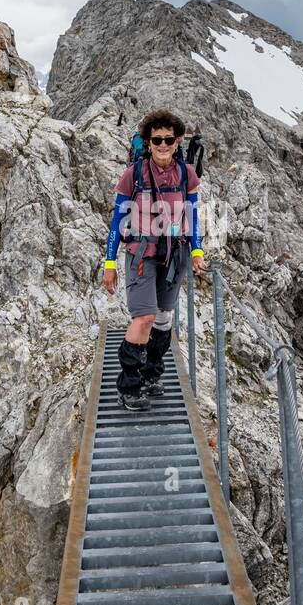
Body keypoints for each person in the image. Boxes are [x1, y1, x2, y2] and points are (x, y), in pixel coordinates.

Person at [103, 109, 206, 409]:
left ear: (177, 142)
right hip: (140, 255)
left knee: (163, 318)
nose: (163, 145)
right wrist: (110, 264)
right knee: (145, 318)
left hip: (175, 255)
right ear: (147, 142)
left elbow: (193, 217)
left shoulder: (187, 175)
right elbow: (117, 222)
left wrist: (197, 251)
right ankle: (129, 385)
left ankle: (152, 374)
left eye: (169, 140)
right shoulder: (132, 175)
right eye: (157, 139)